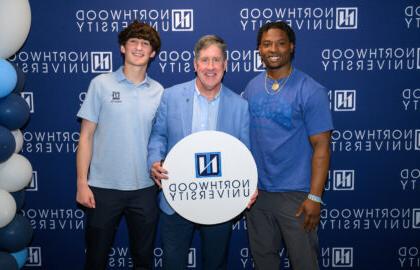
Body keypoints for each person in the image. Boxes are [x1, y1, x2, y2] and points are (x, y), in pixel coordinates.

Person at [147, 35, 255, 270]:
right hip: (176, 196)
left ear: (225, 66)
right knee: (173, 264)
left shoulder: (240, 106)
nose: (210, 67)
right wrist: (154, 160)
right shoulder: (171, 96)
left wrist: (249, 183)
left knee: (216, 263)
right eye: (205, 60)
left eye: (217, 60)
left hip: (220, 198)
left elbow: (245, 152)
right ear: (195, 65)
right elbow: (158, 136)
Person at [243, 21, 334, 270]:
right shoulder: (252, 87)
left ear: (291, 47)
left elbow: (322, 148)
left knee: (304, 263)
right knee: (264, 262)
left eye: (281, 43)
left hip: (296, 196)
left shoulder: (311, 90)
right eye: (267, 44)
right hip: (258, 195)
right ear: (259, 49)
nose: (274, 49)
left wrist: (314, 197)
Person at [76, 21, 163, 270]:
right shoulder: (101, 84)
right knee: (95, 259)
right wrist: (82, 183)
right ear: (123, 48)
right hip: (102, 189)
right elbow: (86, 137)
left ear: (153, 52)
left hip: (145, 189)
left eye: (145, 43)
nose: (139, 47)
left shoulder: (159, 92)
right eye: (133, 42)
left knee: (144, 260)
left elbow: (160, 140)